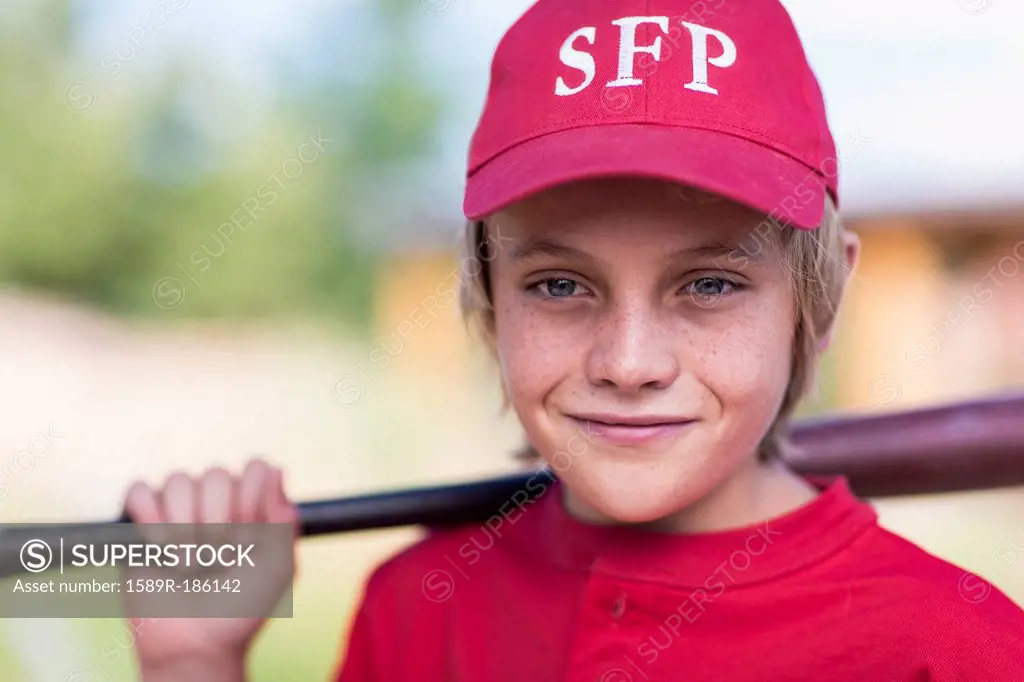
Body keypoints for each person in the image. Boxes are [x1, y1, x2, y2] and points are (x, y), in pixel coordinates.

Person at [123, 0, 1024, 679]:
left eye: (710, 284)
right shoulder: (416, 612)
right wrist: (192, 661)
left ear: (818, 304)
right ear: (484, 294)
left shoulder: (955, 648)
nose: (629, 364)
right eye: (559, 286)